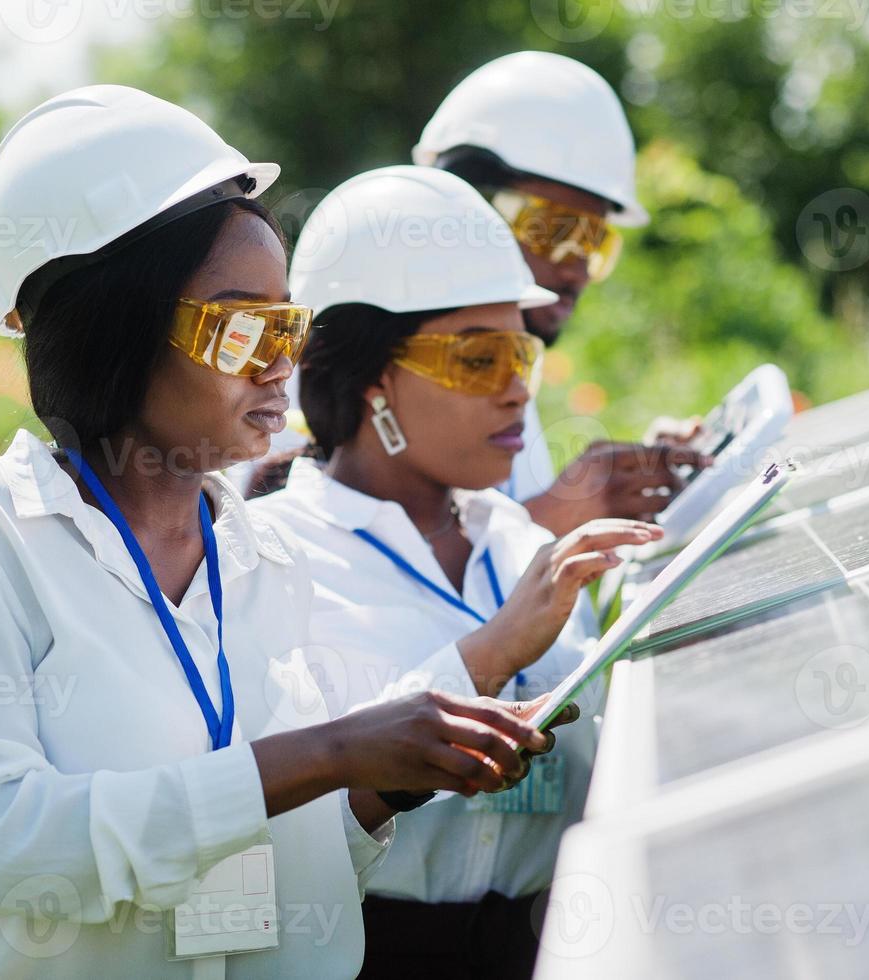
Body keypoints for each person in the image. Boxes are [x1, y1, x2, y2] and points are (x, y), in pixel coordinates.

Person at [0, 86, 567, 980]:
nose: (282, 361)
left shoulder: (264, 554)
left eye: (288, 324)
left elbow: (287, 861)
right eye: (243, 327)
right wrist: (328, 752)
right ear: (112, 326)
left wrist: (374, 785)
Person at [250, 165, 665, 979]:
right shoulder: (265, 559)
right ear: (373, 384)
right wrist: (493, 653)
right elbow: (272, 837)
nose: (516, 391)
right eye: (477, 360)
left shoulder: (518, 542)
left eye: (523, 354)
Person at [413, 51, 714, 536]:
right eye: (553, 231)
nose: (577, 271)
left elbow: (505, 527)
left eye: (594, 241)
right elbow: (387, 587)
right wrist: (569, 508)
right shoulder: (370, 372)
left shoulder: (509, 372)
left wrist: (618, 486)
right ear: (468, 204)